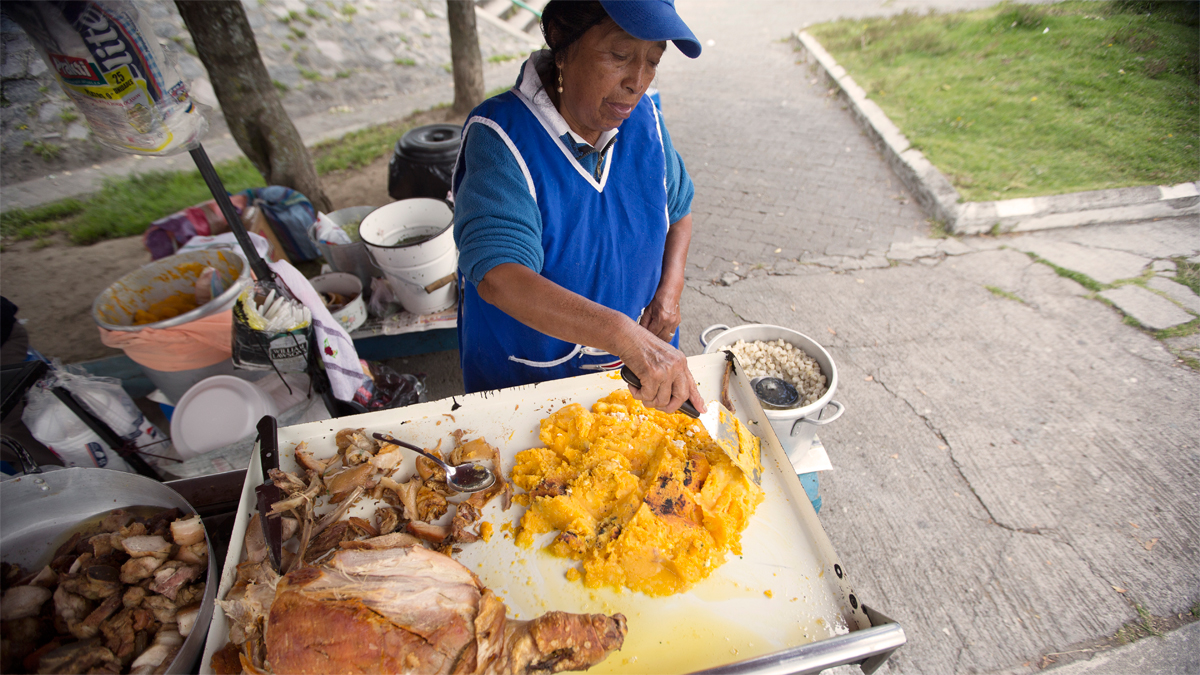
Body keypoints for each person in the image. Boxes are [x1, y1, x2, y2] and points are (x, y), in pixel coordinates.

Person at [452, 0, 704, 414]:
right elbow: (501, 277)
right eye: (620, 55)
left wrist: (669, 292)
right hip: (529, 389)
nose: (637, 82)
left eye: (653, 60)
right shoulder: (502, 138)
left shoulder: (645, 122)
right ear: (561, 38)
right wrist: (623, 334)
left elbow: (679, 211)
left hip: (635, 380)